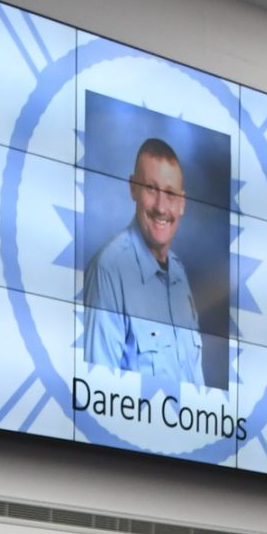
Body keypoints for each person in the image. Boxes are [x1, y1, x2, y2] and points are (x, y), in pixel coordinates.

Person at [82, 136, 203, 386]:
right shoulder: (109, 269)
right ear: (133, 188)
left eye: (170, 194)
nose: (161, 207)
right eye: (151, 188)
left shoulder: (179, 275)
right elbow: (97, 388)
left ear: (182, 204)